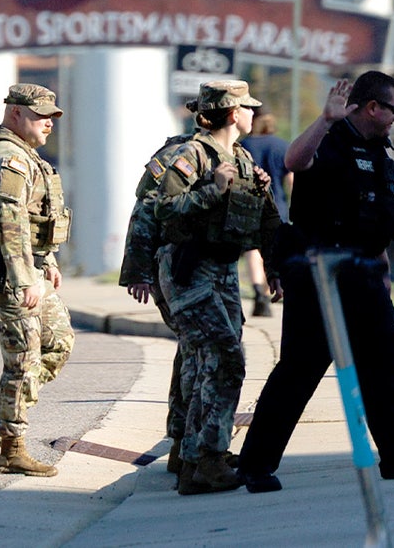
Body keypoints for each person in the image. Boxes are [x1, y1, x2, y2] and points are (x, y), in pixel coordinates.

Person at [238, 71, 394, 493]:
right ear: (372, 107)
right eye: (393, 109)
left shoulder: (378, 151)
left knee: (388, 362)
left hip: (366, 275)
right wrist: (324, 119)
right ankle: (255, 466)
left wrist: (383, 270)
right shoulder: (332, 137)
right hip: (321, 273)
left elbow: (377, 214)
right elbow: (294, 162)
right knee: (300, 369)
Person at [153, 80, 283, 495]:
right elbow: (162, 208)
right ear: (232, 113)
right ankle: (204, 458)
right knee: (225, 360)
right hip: (190, 272)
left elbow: (265, 217)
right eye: (247, 107)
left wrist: (275, 267)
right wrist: (212, 189)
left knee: (214, 364)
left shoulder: (242, 158)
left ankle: (197, 459)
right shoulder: (191, 155)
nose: (253, 113)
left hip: (225, 271)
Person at [0, 83, 75, 477]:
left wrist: (48, 259)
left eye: (52, 117)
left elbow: (34, 218)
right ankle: (12, 448)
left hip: (27, 268)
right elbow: (10, 223)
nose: (48, 124)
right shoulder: (7, 159)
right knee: (22, 360)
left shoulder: (25, 156)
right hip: (4, 274)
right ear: (15, 114)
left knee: (58, 342)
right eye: (41, 116)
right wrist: (26, 277)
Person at [118, 107, 197, 477]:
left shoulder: (231, 154)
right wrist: (138, 271)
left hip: (211, 270)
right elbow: (144, 212)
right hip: (179, 268)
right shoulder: (178, 155)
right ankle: (188, 445)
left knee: (200, 352)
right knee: (202, 352)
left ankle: (191, 445)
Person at [241, 109, 293, 317]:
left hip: (249, 206)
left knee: (253, 250)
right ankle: (272, 289)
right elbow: (291, 181)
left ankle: (259, 293)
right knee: (272, 251)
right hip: (276, 207)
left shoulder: (245, 146)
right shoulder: (282, 146)